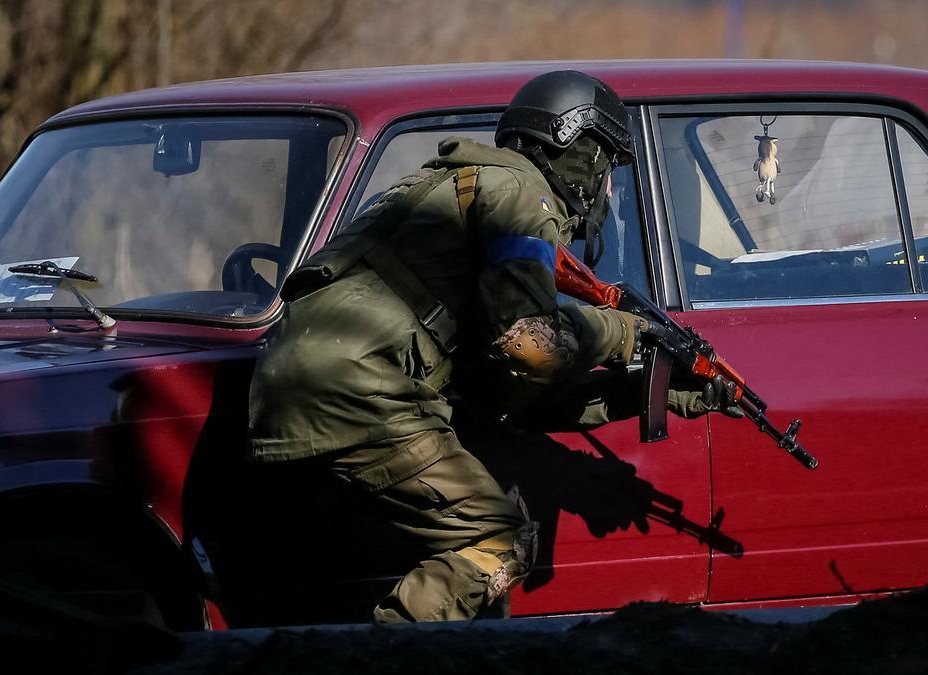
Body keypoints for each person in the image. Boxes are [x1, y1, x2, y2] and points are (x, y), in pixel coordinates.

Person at [246, 70, 732, 623]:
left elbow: (510, 392)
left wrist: (646, 391)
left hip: (298, 385)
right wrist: (629, 332)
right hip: (365, 389)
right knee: (495, 542)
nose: (606, 191)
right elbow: (531, 344)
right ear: (581, 148)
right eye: (608, 166)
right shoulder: (520, 195)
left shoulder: (457, 186)